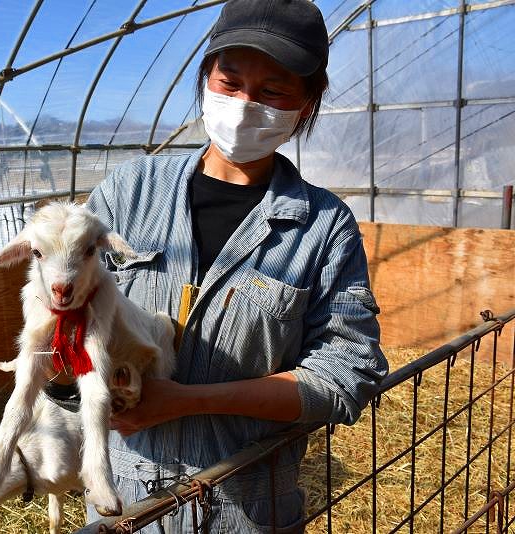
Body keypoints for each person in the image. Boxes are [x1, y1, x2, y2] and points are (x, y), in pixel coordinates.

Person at [85, 0, 389, 531]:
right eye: (230, 81)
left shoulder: (322, 227)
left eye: (273, 91)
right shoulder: (127, 195)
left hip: (246, 506)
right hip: (123, 501)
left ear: (307, 102)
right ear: (206, 78)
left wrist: (185, 401)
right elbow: (68, 309)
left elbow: (347, 374)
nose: (246, 105)